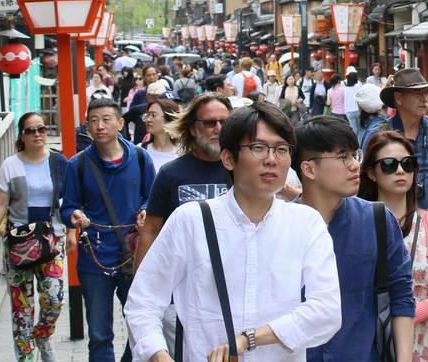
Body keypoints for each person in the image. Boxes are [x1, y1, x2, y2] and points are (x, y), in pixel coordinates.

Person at [125, 102, 342, 362]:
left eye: (281, 149)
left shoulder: (305, 223)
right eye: (258, 148)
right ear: (228, 158)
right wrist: (158, 355)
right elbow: (143, 302)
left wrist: (249, 338)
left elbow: (326, 311)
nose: (272, 159)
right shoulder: (191, 221)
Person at [296, 116, 415, 361]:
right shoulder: (281, 227)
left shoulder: (377, 220)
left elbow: (401, 295)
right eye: (343, 157)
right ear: (309, 169)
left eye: (354, 155)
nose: (354, 166)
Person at [60, 98, 156, 362]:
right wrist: (74, 215)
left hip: (133, 254)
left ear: (120, 123)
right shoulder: (77, 164)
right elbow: (67, 208)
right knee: (99, 334)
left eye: (106, 119)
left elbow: (152, 197)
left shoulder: (140, 158)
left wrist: (145, 209)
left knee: (140, 326)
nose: (99, 126)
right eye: (93, 121)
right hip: (94, 256)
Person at [359, 130, 428, 362]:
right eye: (389, 164)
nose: (400, 171)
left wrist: (407, 315)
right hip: (369, 338)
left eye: (408, 164)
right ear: (371, 173)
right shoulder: (358, 224)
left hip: (422, 338)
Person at [0, 112, 68, 362]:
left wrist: (72, 231)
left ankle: (42, 335)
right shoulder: (11, 165)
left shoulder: (58, 162)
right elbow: (0, 202)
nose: (37, 134)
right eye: (31, 130)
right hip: (19, 240)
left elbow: (69, 200)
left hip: (51, 239)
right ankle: (26, 358)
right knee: (21, 309)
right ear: (22, 135)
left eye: (41, 129)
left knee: (54, 298)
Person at [135, 93, 234, 267]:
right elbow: (151, 231)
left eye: (224, 122)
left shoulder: (243, 171)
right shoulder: (170, 174)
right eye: (210, 123)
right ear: (193, 129)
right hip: (183, 274)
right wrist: (141, 279)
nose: (218, 129)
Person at [363, 68, 428, 215]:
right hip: (392, 221)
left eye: (426, 93)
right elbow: (365, 177)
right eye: (417, 93)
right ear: (398, 98)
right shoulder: (378, 134)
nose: (424, 99)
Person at [139, 97, 180, 172]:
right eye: (147, 115)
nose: (148, 119)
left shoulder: (183, 152)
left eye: (153, 115)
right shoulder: (139, 151)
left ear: (169, 118)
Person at [344, 66, 362, 135]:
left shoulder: (343, 84)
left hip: (349, 110)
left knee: (354, 131)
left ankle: (355, 142)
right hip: (358, 109)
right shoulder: (359, 83)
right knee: (360, 130)